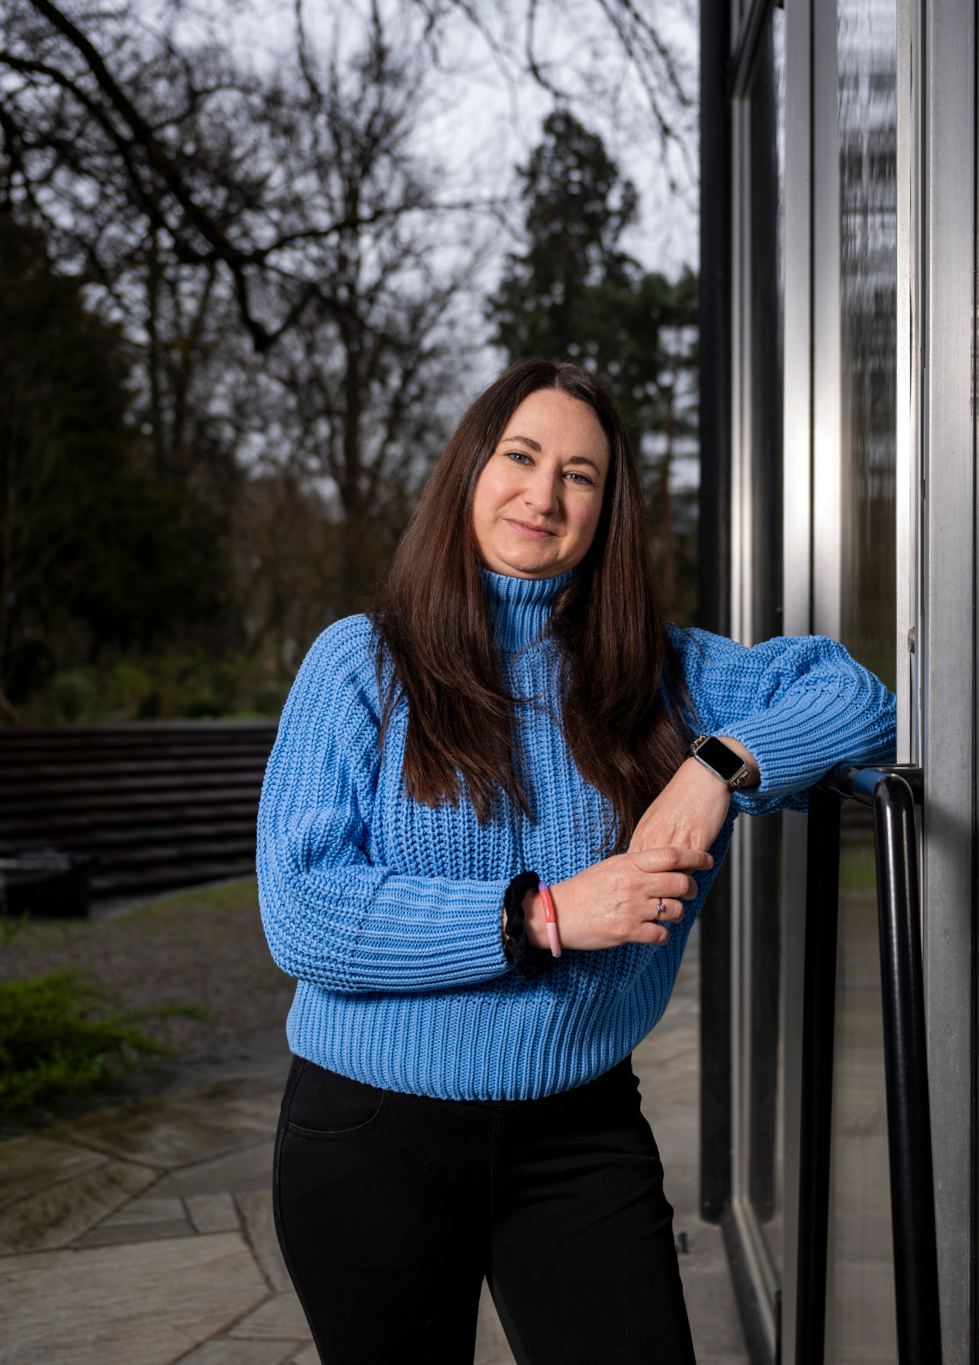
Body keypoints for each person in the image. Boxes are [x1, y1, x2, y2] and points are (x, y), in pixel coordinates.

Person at [256, 359, 894, 1363]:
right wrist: (542, 917)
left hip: (577, 1133)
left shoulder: (661, 672)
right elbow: (303, 913)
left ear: (608, 509)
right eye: (520, 457)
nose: (543, 495)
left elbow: (856, 696)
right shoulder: (361, 660)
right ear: (469, 470)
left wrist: (711, 769)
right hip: (370, 1137)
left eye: (581, 474)